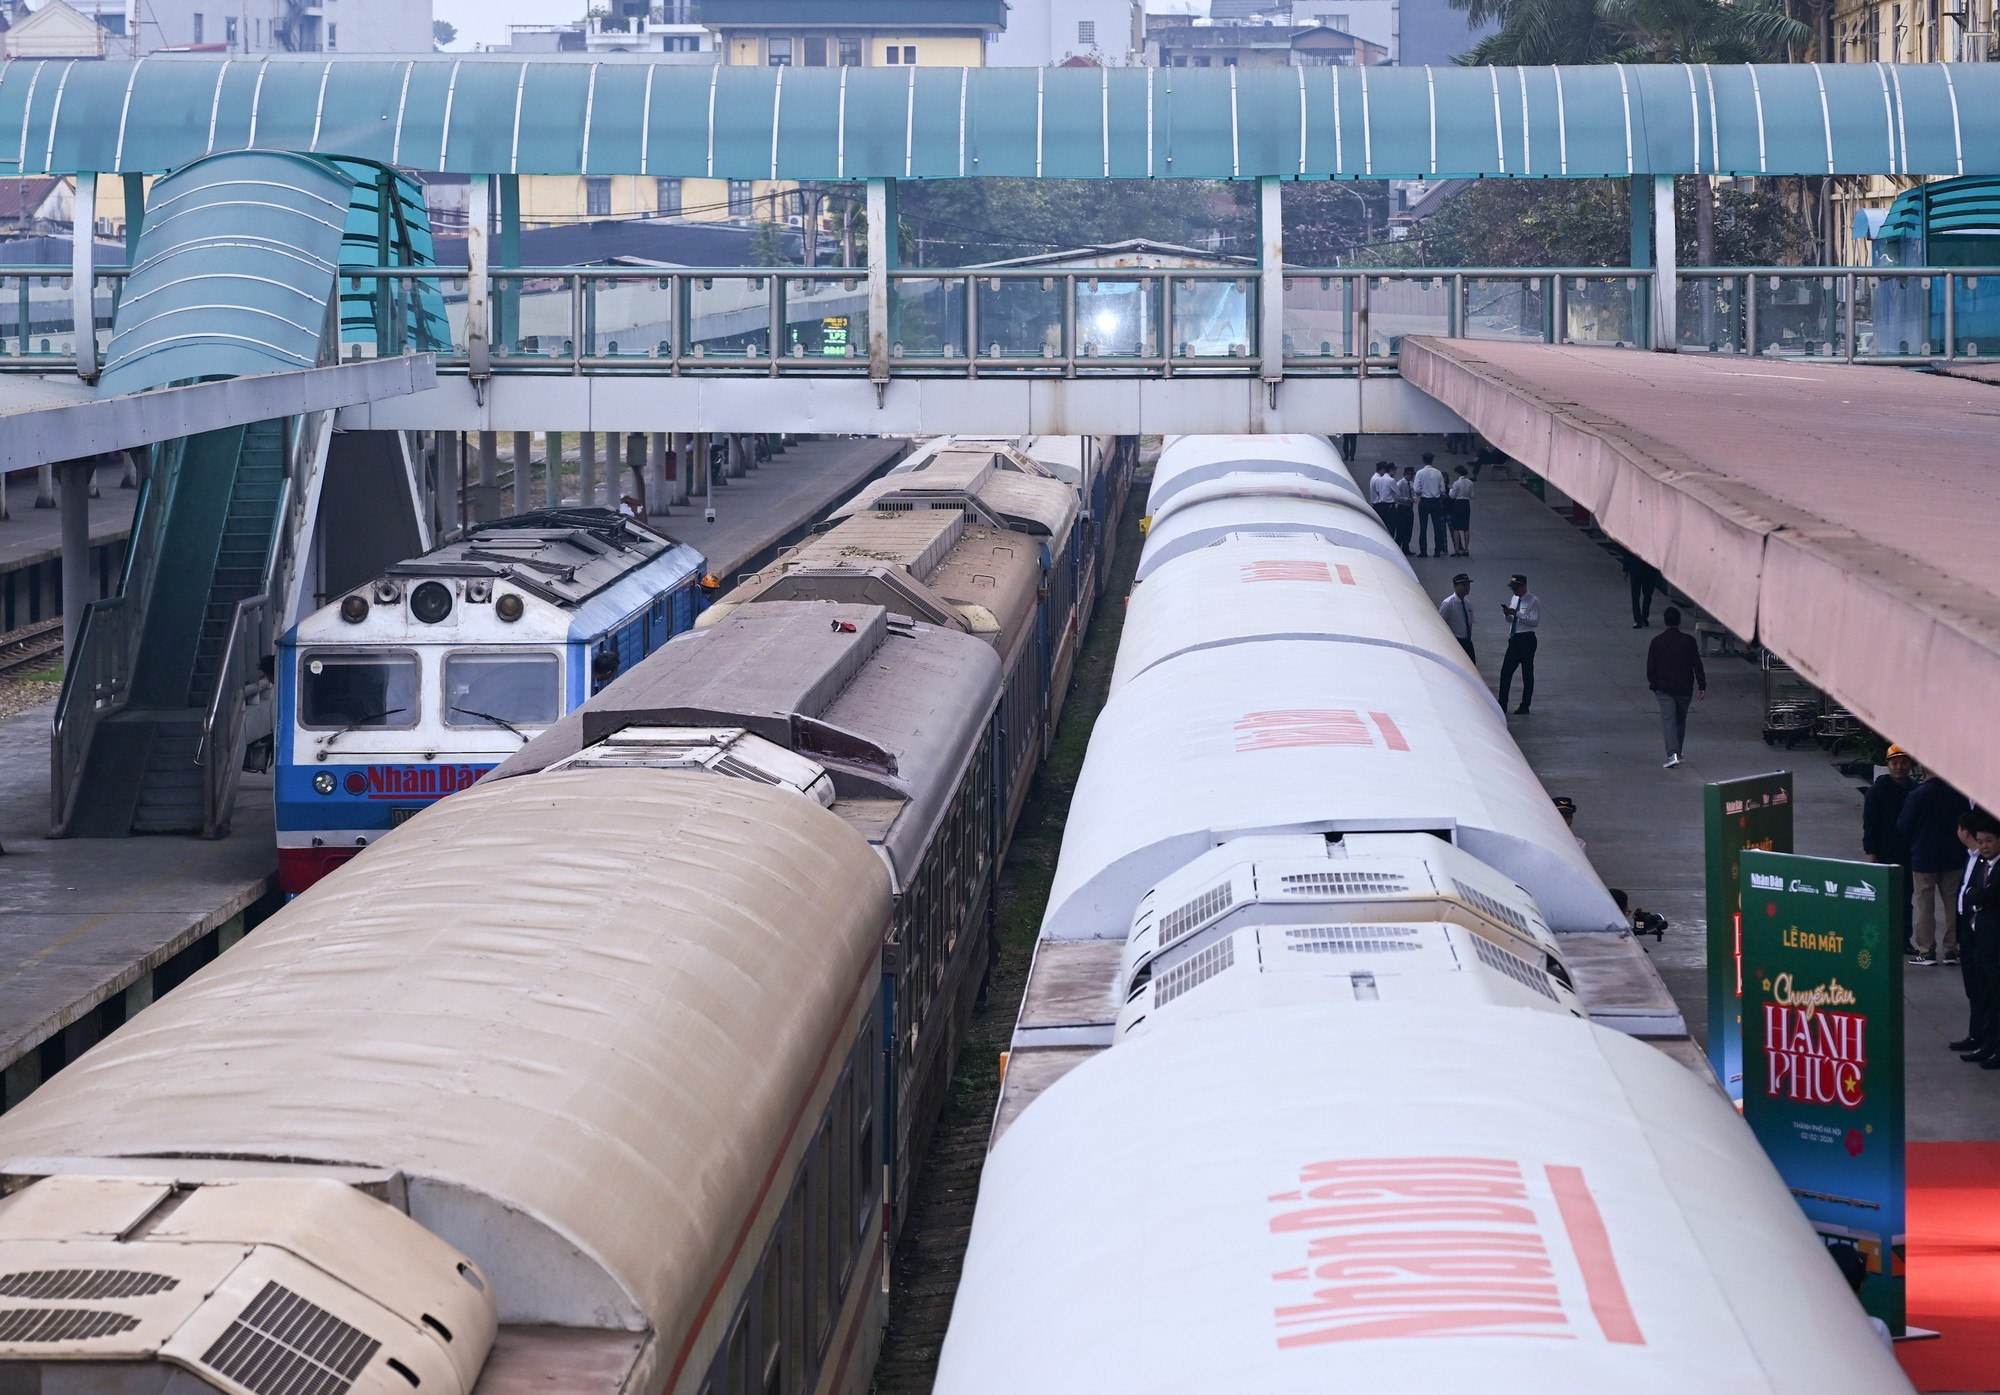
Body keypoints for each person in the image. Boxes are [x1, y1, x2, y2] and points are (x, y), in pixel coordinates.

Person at [1900, 769, 1970, 967]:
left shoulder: (1916, 795)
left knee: (1924, 906)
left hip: (1924, 858)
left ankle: (1927, 951)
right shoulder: (1958, 794)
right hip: (1953, 858)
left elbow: (1904, 825)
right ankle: (1951, 950)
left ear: (1923, 771)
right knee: (1953, 905)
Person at [1862, 745, 1917, 956]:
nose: (1899, 767)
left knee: (1906, 900)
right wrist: (1871, 852)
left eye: (1903, 763)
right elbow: (1870, 824)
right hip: (1885, 854)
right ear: (1888, 766)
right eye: (1894, 763)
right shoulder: (1877, 792)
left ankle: (1904, 940)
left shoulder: (1914, 789)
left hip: (1909, 854)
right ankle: (1882, 939)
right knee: (1885, 899)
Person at [1956, 808, 2000, 1069]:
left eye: (1989, 841)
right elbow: (1971, 894)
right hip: (1979, 941)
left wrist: (1975, 896)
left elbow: (1982, 896)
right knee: (1984, 996)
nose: (1984, 846)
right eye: (1980, 841)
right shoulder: (1983, 863)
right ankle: (1987, 1045)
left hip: (1994, 945)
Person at [1645, 607, 1707, 768]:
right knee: (1680, 720)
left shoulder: (1657, 642)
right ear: (1679, 621)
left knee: (1668, 721)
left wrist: (1654, 684)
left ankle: (1672, 754)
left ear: (1665, 621)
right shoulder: (1689, 641)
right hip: (1685, 687)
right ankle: (1677, 752)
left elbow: (1651, 667)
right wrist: (1702, 685)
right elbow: (1697, 664)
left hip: (1664, 688)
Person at [1953, 812, 1986, 1056]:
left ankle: (1985, 1038)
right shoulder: (1970, 857)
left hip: (1982, 933)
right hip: (1967, 928)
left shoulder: (1986, 862)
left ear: (1965, 832)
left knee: (1983, 987)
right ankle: (1976, 1034)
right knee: (1972, 986)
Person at [1498, 574, 1539, 715]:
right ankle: (1502, 703)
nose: (1514, 591)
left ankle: (1525, 705)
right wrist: (1508, 614)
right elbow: (1511, 621)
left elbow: (1534, 622)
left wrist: (1517, 614)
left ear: (1523, 587)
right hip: (1515, 639)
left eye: (1516, 588)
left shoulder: (1533, 601)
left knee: (1527, 673)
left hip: (1527, 639)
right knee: (1505, 672)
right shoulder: (1514, 599)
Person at [1413, 452, 1448, 558]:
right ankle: (1437, 550)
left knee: (1423, 527)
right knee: (1437, 527)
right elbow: (1442, 489)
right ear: (1432, 460)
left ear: (1423, 461)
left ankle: (1423, 551)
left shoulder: (1420, 473)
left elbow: (1416, 489)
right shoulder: (1438, 473)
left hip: (1424, 501)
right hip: (1436, 501)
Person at [1438, 574, 1476, 661]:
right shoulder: (1448, 604)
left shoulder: (1468, 604)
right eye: (1463, 585)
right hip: (1456, 642)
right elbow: (1440, 624)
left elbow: (1470, 623)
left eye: (1468, 585)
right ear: (1455, 586)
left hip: (1467, 641)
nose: (1467, 587)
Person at [1622, 550, 1665, 629]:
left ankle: (1640, 618)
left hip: (1638, 566)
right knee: (1645, 594)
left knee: (1638, 595)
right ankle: (1642, 617)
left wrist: (1625, 568)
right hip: (1647, 567)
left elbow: (1626, 550)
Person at [1448, 465, 1474, 557]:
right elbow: (1472, 495)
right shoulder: (1470, 482)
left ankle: (1457, 549)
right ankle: (1466, 548)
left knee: (1456, 527)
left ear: (1458, 473)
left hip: (1458, 504)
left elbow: (1452, 496)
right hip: (1466, 504)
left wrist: (1450, 489)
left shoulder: (1456, 483)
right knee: (1466, 527)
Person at [1368, 461, 1397, 534]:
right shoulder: (1378, 479)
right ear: (1382, 469)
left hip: (1378, 504)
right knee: (1389, 526)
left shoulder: (1375, 478)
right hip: (1380, 503)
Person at [1393, 466, 1417, 554]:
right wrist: (1407, 499)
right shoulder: (1400, 484)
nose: (1412, 477)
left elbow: (1414, 493)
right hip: (1402, 508)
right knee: (1400, 529)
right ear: (1405, 474)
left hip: (1409, 508)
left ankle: (1406, 547)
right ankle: (1398, 547)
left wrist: (1413, 498)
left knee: (1408, 529)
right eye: (1410, 475)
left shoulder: (1411, 484)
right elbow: (1398, 497)